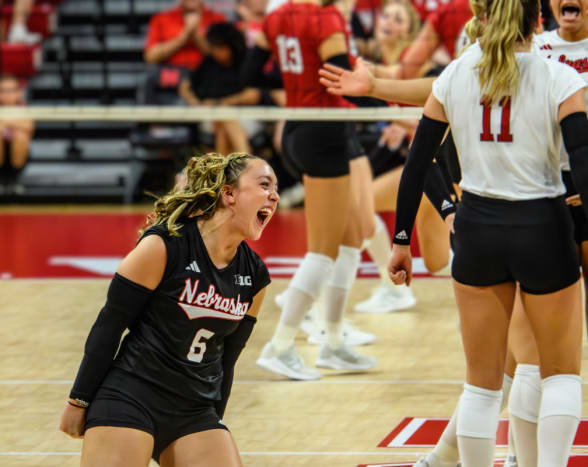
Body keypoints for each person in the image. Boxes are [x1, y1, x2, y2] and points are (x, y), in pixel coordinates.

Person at [386, 0, 588, 465]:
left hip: (476, 227)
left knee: (481, 384)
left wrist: (400, 240)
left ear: (480, 18)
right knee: (559, 376)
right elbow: (582, 161)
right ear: (538, 21)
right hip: (543, 225)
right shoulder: (558, 77)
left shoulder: (456, 73)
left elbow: (417, 165)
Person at [59, 152, 276, 467]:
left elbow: (227, 358)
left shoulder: (255, 275)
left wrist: (215, 422)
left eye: (276, 188)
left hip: (194, 410)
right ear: (229, 194)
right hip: (131, 396)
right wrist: (78, 400)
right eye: (264, 184)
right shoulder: (163, 246)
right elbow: (109, 326)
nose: (275, 195)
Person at [245, 0, 380, 380]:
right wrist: (385, 93)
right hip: (323, 132)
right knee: (322, 252)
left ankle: (333, 341)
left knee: (352, 237)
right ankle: (281, 346)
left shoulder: (277, 16)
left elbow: (250, 71)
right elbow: (341, 78)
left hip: (300, 125)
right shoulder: (326, 17)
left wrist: (297, 80)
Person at [178, 22, 260, 155]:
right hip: (210, 117)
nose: (216, 52)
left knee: (224, 120)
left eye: (220, 48)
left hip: (245, 117)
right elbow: (185, 86)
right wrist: (194, 101)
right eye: (214, 47)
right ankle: (245, 160)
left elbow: (253, 95)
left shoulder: (246, 62)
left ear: (232, 46)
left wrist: (221, 104)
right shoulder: (209, 62)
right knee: (223, 120)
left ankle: (224, 170)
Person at [144, 0, 226, 72]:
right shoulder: (161, 19)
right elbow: (150, 57)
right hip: (171, 75)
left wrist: (195, 35)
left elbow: (224, 57)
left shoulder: (217, 19)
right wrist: (183, 37)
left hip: (209, 74)